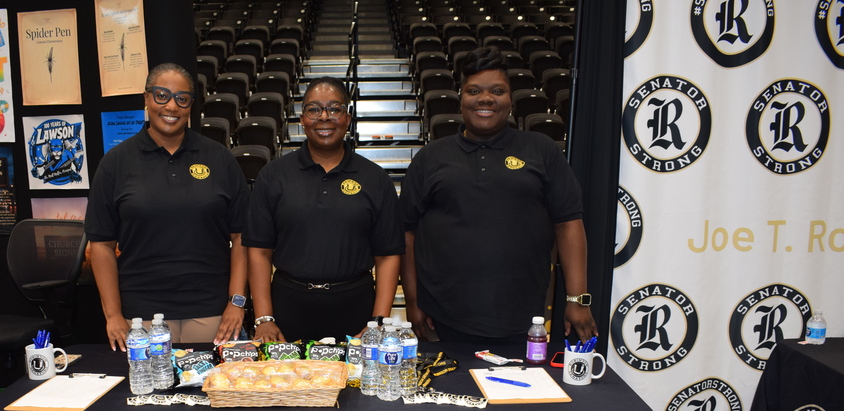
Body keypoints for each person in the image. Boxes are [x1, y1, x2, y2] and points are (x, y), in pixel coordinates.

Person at [400, 47, 598, 344]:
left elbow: (568, 224)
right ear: (461, 97)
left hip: (524, 318)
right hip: (443, 318)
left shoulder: (541, 150)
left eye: (497, 90)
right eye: (474, 90)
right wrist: (414, 303)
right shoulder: (430, 157)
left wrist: (578, 299)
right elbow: (408, 234)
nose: (485, 98)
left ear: (510, 100)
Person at [85, 63, 248, 349]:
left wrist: (237, 302)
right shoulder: (116, 163)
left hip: (212, 311)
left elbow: (242, 237)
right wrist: (113, 315)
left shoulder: (220, 159)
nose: (171, 106)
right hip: (142, 315)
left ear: (191, 106)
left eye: (181, 98)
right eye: (161, 95)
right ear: (146, 99)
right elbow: (101, 245)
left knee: (211, 392)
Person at [244, 76, 403, 342]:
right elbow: (258, 250)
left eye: (334, 108)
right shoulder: (273, 175)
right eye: (314, 109)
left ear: (347, 118)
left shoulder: (375, 179)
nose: (324, 117)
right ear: (302, 119)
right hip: (288, 306)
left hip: (355, 305)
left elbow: (388, 255)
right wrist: (264, 318)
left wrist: (377, 321)